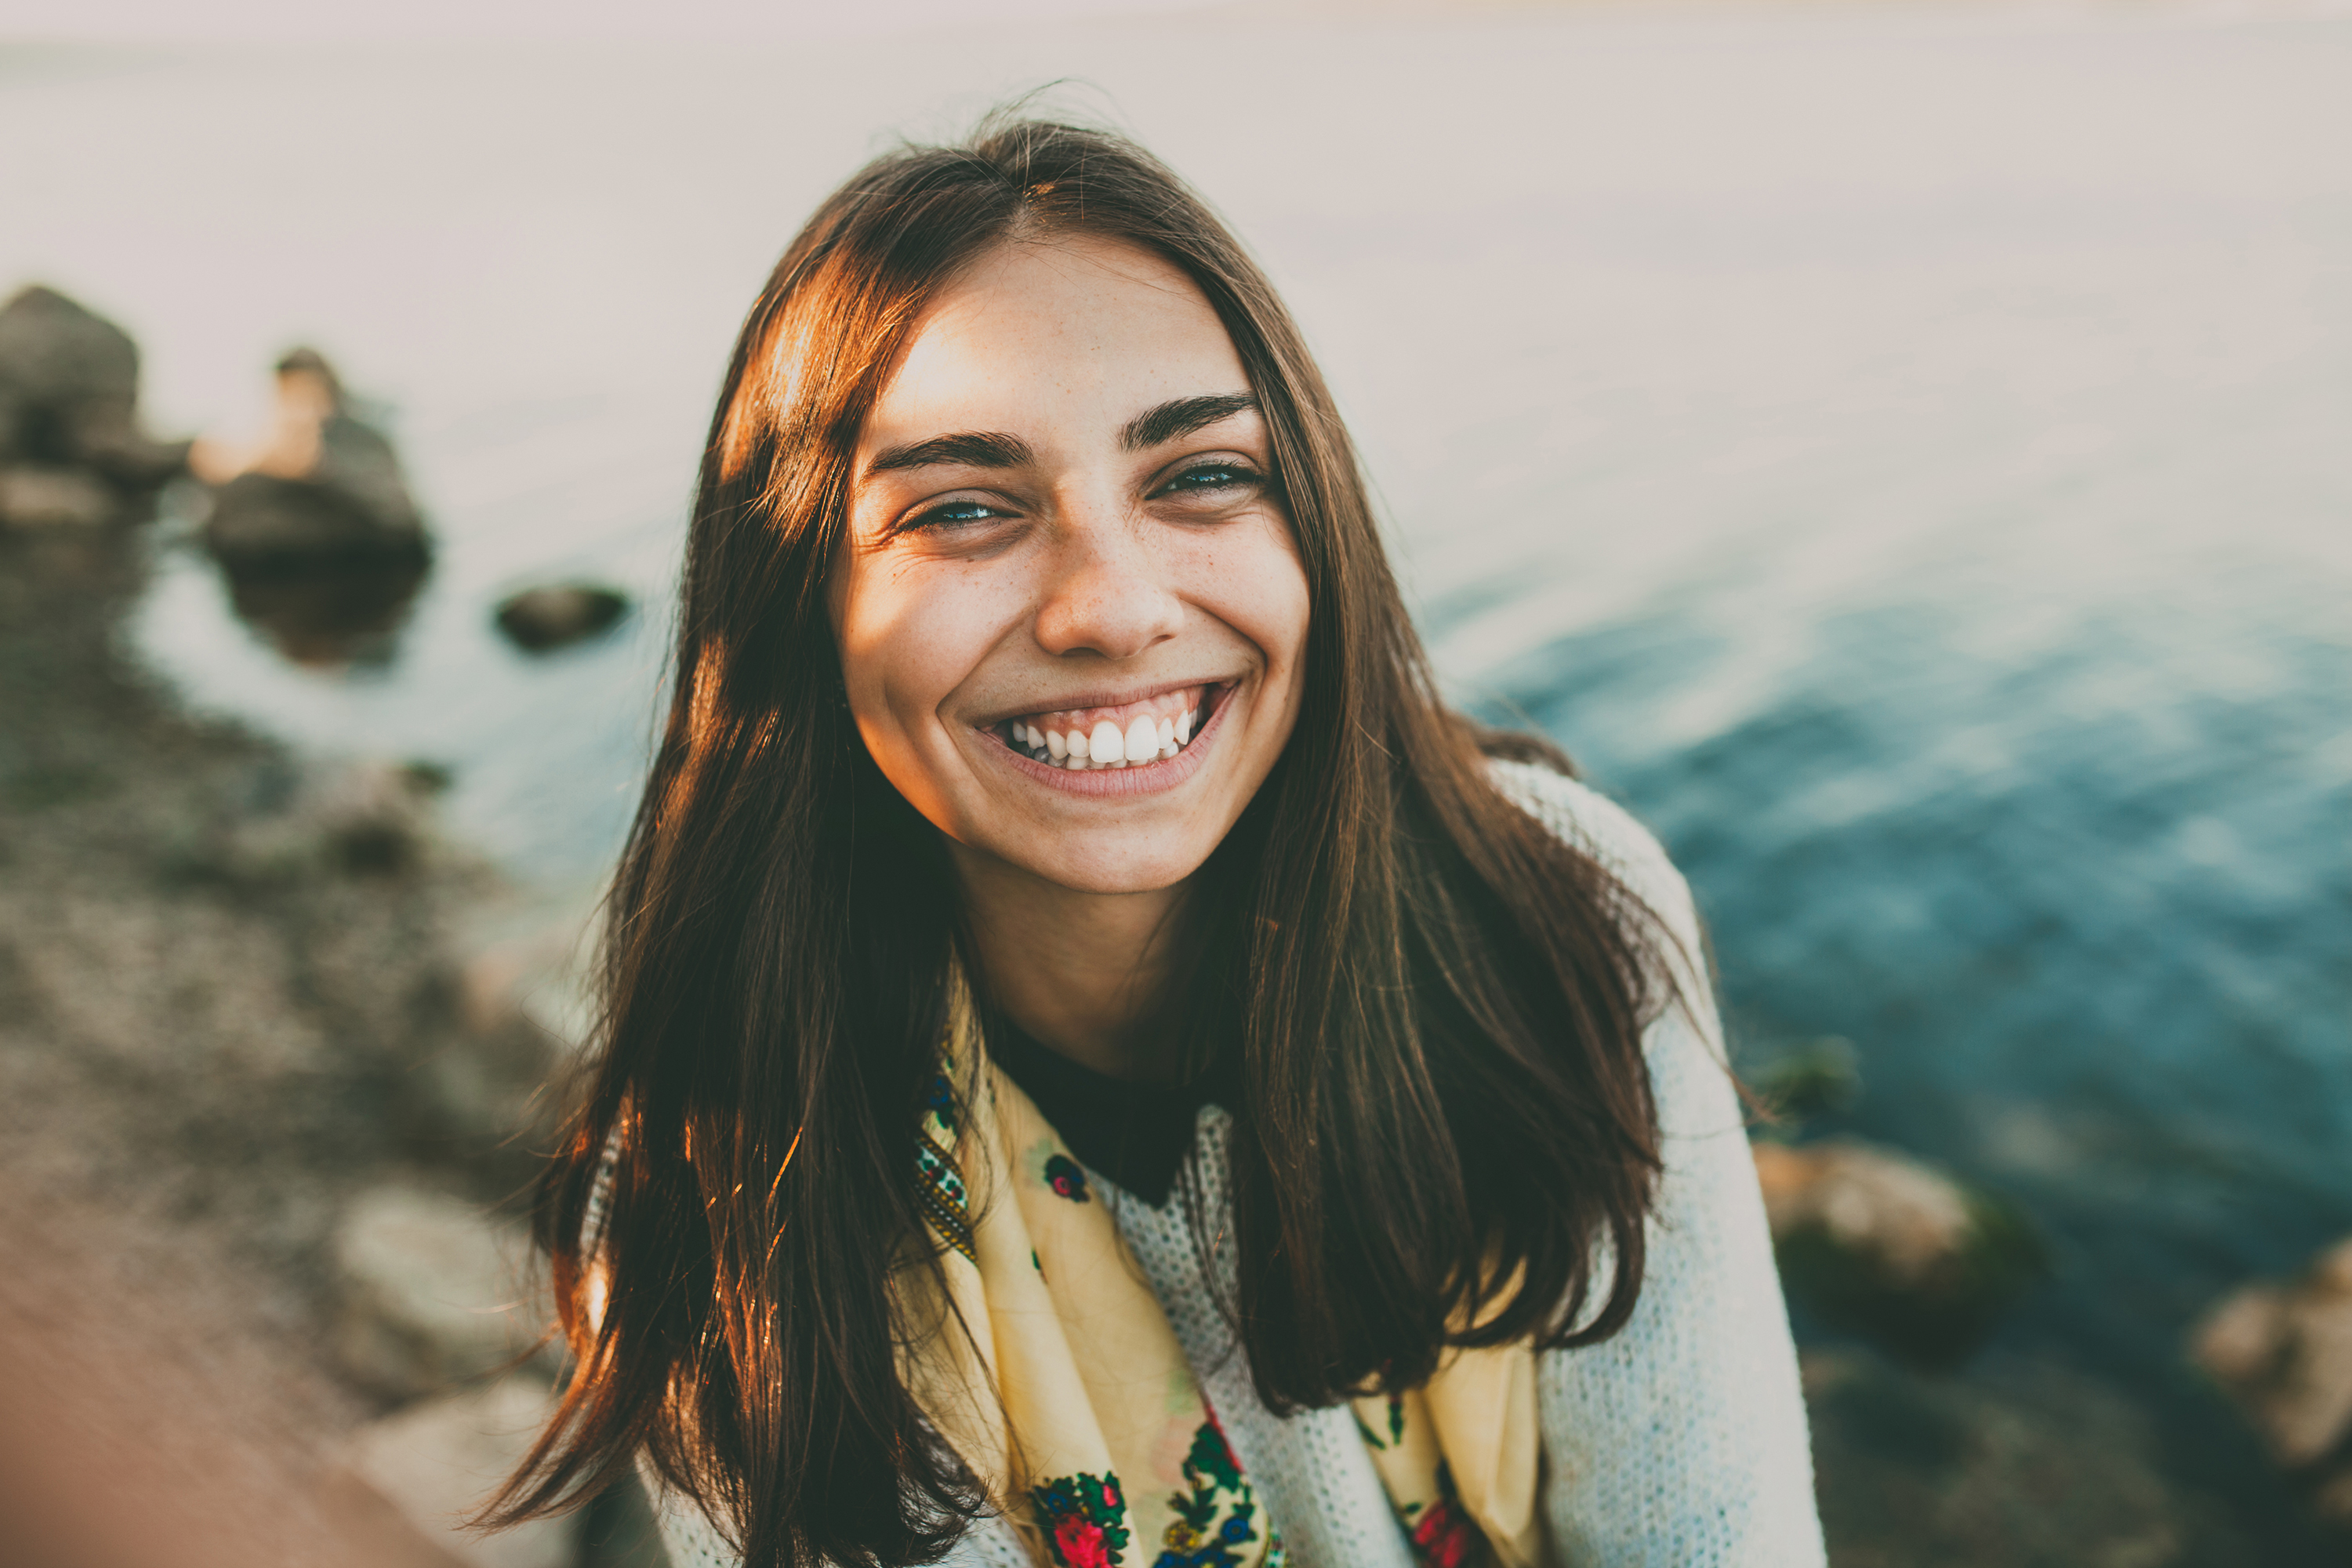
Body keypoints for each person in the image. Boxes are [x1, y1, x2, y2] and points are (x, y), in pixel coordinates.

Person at [485, 114, 1824, 1568]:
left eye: (1198, 476)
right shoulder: (727, 1181)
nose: (1112, 609)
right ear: (798, 605)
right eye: (961, 508)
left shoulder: (1560, 919)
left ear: (1315, 525)